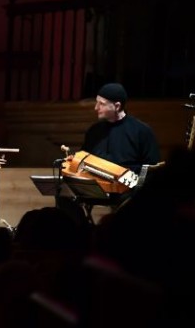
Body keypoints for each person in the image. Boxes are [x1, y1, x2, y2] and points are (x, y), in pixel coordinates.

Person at [57, 82, 161, 225]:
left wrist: (132, 180)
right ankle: (83, 231)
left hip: (125, 189)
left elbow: (152, 166)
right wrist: (73, 161)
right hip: (95, 187)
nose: (96, 108)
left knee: (133, 201)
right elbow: (84, 158)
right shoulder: (94, 131)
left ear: (117, 106)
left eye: (101, 104)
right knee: (62, 192)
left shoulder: (141, 131)